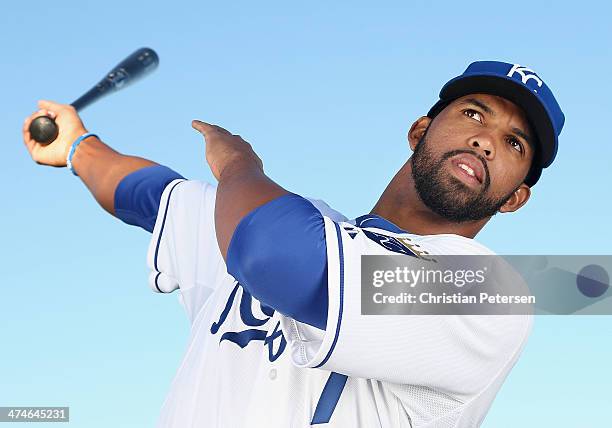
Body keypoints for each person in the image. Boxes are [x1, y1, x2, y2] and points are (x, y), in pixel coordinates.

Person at [23, 61, 564, 427]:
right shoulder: (286, 220)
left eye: (514, 143)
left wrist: (237, 162)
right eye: (474, 113)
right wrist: (76, 146)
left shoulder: (485, 293)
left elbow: (274, 254)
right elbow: (151, 195)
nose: (486, 141)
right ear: (419, 130)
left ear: (516, 197)